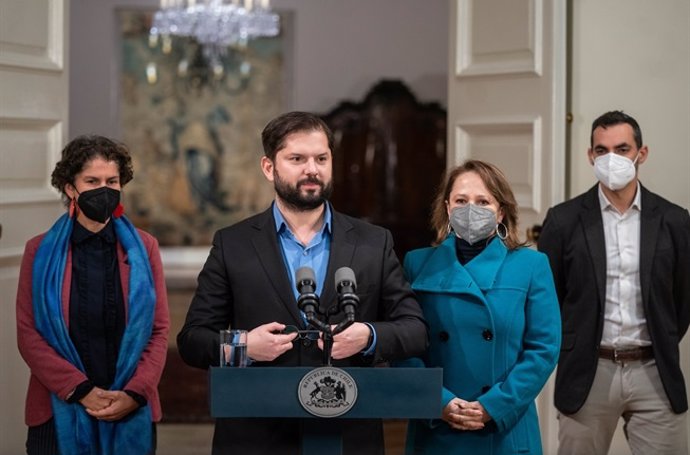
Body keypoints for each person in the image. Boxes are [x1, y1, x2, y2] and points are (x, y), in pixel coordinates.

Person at [176, 111, 428, 455]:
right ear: (269, 167)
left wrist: (368, 337)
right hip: (257, 435)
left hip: (347, 434)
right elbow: (192, 340)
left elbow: (415, 329)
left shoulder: (373, 242)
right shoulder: (232, 243)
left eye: (321, 158)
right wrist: (244, 346)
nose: (312, 169)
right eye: (297, 159)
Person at [538, 110, 690, 455]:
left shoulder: (674, 220)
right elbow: (549, 298)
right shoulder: (563, 221)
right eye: (602, 150)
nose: (611, 159)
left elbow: (683, 300)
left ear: (641, 154)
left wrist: (663, 338)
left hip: (654, 371)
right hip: (589, 372)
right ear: (590, 156)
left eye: (621, 149)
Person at [16, 135, 170, 455]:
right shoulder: (38, 251)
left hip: (131, 404)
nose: (104, 189)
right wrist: (81, 391)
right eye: (92, 180)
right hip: (58, 406)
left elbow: (158, 329)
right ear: (70, 188)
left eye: (112, 180)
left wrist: (135, 392)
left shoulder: (146, 247)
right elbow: (29, 334)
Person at [397, 159, 561, 454]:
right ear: (447, 207)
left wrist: (493, 405)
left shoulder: (531, 265)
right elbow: (403, 346)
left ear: (501, 211)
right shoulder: (417, 263)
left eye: (482, 201)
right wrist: (439, 401)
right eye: (461, 200)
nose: (470, 209)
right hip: (437, 427)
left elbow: (544, 348)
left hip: (504, 429)